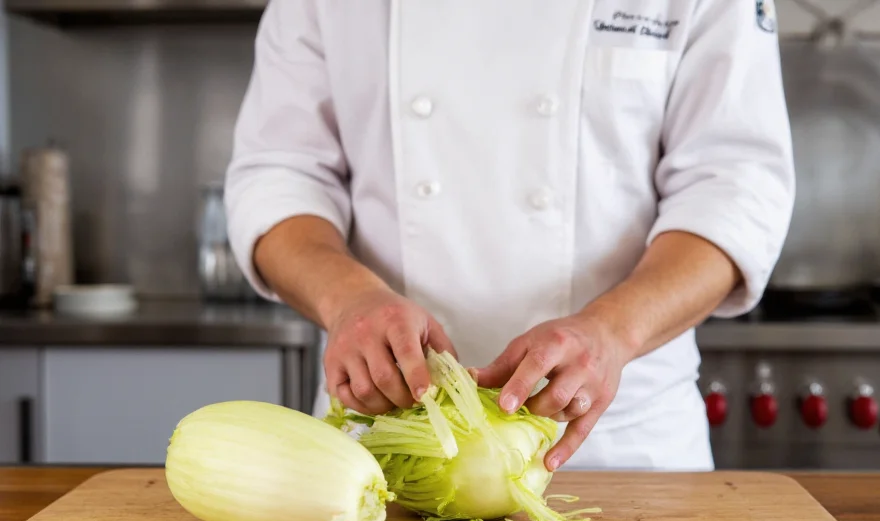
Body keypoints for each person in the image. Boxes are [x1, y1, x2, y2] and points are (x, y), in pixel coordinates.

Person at [224, 0, 795, 472]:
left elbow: (733, 190)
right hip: (387, 433)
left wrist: (614, 333)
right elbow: (280, 175)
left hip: (621, 446)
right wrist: (349, 300)